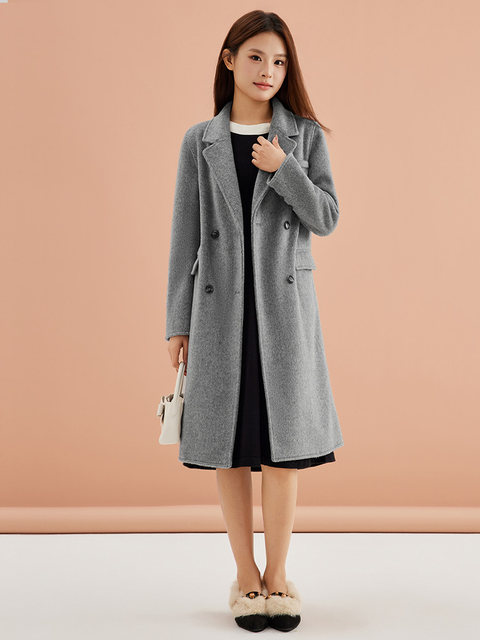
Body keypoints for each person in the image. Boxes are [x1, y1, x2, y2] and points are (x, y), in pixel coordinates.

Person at [165, 10, 344, 632]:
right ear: (230, 60)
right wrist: (176, 323)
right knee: (231, 449)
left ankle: (279, 576)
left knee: (284, 450)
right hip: (219, 313)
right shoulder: (200, 141)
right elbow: (183, 238)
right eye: (257, 57)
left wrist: (283, 167)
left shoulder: (304, 137)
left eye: (280, 61)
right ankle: (245, 576)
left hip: (284, 315)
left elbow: (327, 217)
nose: (269, 71)